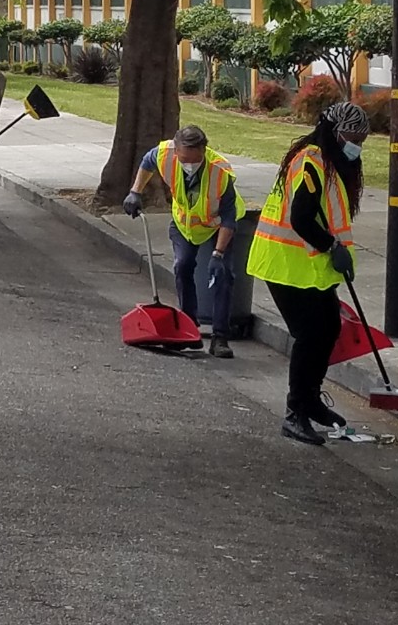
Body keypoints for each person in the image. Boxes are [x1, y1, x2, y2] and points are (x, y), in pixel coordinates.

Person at [246, 101, 370, 445]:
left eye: (361, 138)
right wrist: (333, 247)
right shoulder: (311, 161)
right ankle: (295, 412)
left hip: (306, 265)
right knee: (309, 336)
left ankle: (311, 401)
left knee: (328, 328)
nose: (356, 144)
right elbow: (300, 218)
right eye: (351, 136)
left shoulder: (328, 161)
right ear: (332, 131)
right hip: (284, 262)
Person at [122, 125, 246, 358]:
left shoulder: (220, 172)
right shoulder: (164, 154)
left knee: (222, 276)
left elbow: (229, 219)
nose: (189, 164)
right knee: (183, 266)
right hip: (184, 225)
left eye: (195, 159)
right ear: (176, 151)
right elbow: (147, 162)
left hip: (216, 227)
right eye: (184, 159)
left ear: (204, 151)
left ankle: (220, 337)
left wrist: (218, 254)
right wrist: (135, 191)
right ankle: (189, 330)